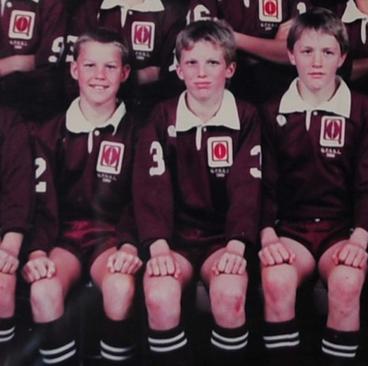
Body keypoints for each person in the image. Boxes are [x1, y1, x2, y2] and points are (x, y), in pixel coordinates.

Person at [133, 20, 261, 366]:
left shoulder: (247, 117)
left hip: (223, 239)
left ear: (230, 69)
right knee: (159, 294)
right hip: (174, 239)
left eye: (213, 62)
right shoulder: (161, 117)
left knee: (231, 291)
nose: (201, 72)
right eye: (191, 62)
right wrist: (158, 246)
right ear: (177, 68)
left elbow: (248, 187)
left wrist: (237, 245)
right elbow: (150, 185)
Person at [259, 7, 368, 366]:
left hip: (341, 231)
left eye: (327, 52)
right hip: (290, 231)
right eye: (307, 51)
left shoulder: (363, 109)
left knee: (346, 282)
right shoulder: (271, 111)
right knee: (277, 279)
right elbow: (261, 182)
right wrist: (267, 235)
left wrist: (359, 238)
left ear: (342, 58)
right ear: (290, 54)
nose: (316, 62)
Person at [24, 28, 142, 365]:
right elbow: (40, 201)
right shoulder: (48, 132)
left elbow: (143, 198)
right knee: (44, 289)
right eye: (90, 66)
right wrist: (36, 252)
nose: (100, 76)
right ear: (74, 69)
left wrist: (131, 245)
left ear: (125, 73)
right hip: (64, 239)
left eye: (110, 67)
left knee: (120, 286)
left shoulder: (139, 131)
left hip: (114, 239)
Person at [186, 0, 310, 103]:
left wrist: (233, 38)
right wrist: (273, 48)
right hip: (228, 96)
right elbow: (204, 47)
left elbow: (300, 53)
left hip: (282, 95)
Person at [0, 107, 33, 360]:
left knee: (1, 283)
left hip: (3, 232)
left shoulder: (9, 122)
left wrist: (10, 246)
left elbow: (19, 190)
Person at [0, 0, 67, 120]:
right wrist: (18, 62)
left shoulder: (51, 4)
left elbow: (47, 61)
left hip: (23, 106)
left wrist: (10, 64)